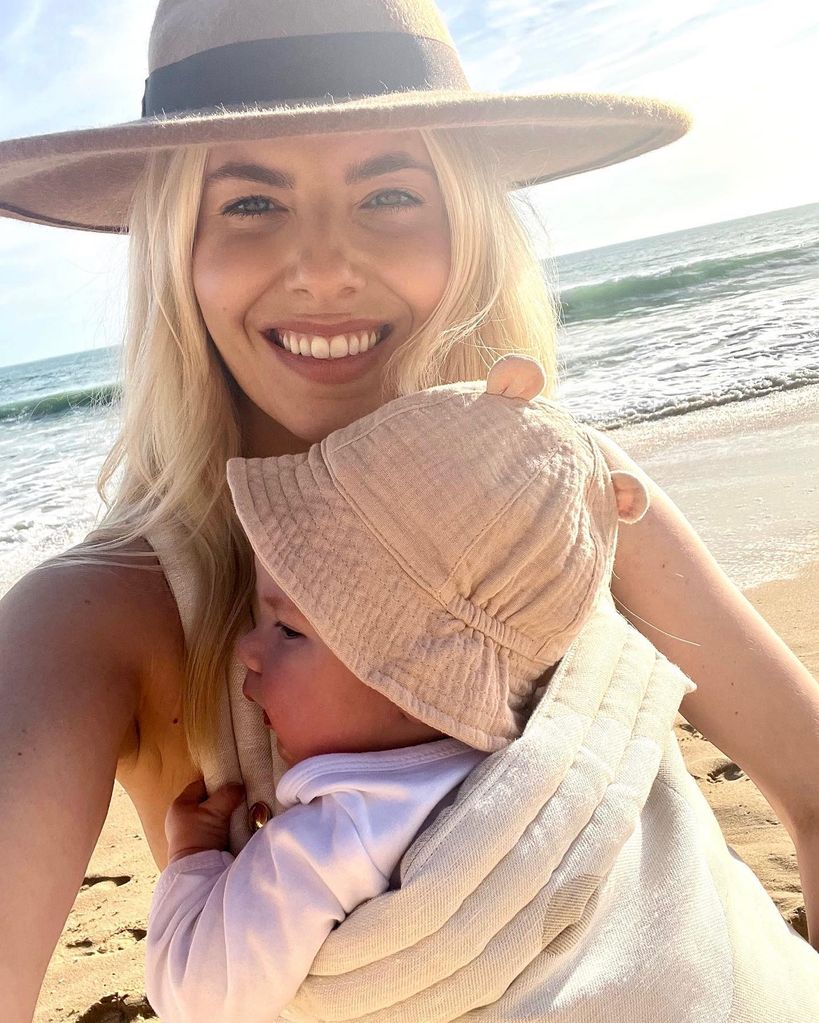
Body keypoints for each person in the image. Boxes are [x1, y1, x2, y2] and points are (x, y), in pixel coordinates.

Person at [0, 1, 817, 1019]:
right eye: (251, 204)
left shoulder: (566, 492)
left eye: (390, 189)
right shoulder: (96, 616)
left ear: (466, 219)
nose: (329, 266)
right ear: (176, 250)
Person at [144, 363, 819, 1022]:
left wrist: (192, 859)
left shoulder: (336, 836)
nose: (246, 649)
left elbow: (197, 995)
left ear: (415, 684)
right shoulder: (558, 730)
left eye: (288, 630)